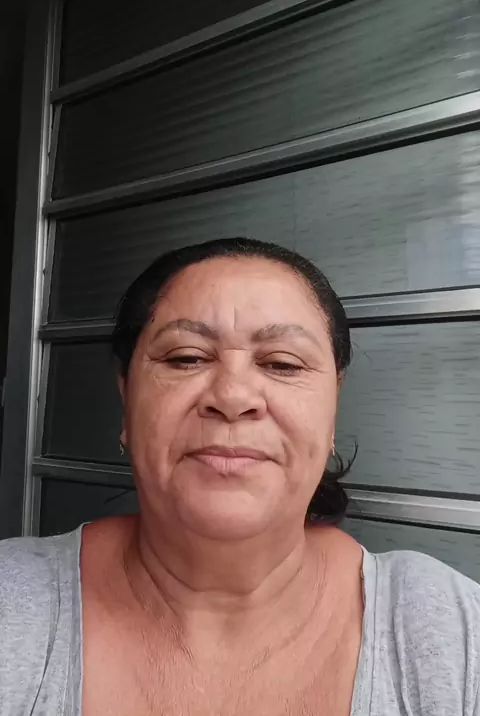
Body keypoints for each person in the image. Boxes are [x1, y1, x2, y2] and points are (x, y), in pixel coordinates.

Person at [0, 237, 479, 716]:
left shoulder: (451, 631)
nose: (232, 396)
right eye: (186, 358)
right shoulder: (13, 602)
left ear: (332, 408)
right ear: (127, 397)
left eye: (282, 364)